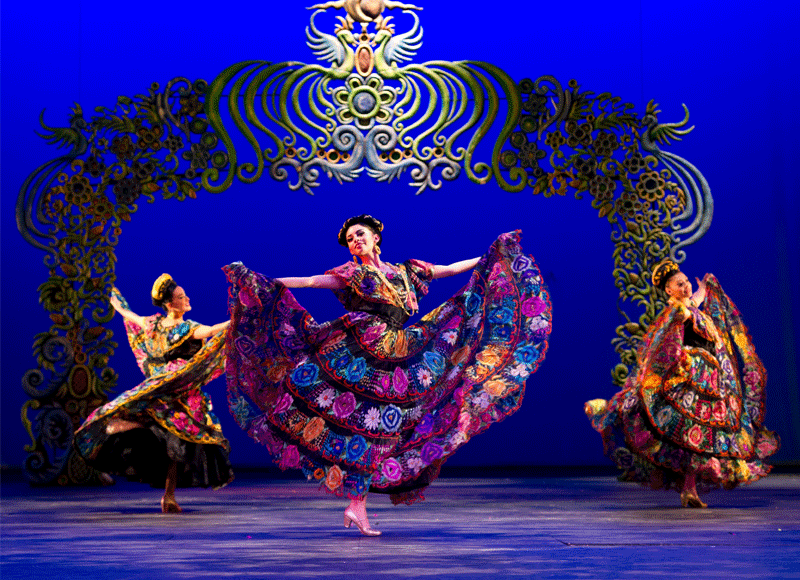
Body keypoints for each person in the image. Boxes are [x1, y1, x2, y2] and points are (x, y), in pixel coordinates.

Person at [224, 215, 552, 535]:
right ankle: (356, 501)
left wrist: (491, 256)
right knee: (364, 423)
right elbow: (311, 281)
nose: (355, 240)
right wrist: (263, 283)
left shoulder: (406, 271)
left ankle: (357, 503)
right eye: (350, 238)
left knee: (384, 427)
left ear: (375, 237)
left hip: (398, 348)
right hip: (361, 347)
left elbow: (449, 269)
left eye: (360, 234)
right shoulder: (352, 273)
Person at [585, 259, 779, 507]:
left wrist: (703, 288)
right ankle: (611, 408)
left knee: (697, 437)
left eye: (687, 282)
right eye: (680, 284)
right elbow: (677, 322)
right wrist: (683, 312)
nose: (686, 287)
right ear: (668, 290)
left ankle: (690, 489)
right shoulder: (679, 311)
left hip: (710, 380)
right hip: (692, 377)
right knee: (685, 432)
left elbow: (695, 300)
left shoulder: (689, 305)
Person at [74, 274, 233, 513]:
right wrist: (237, 320)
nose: (187, 299)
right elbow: (212, 331)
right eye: (181, 297)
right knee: (177, 440)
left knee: (175, 444)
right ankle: (128, 427)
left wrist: (114, 298)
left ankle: (168, 496)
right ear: (170, 304)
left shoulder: (153, 325)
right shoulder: (186, 329)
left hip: (168, 389)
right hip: (175, 392)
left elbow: (129, 315)